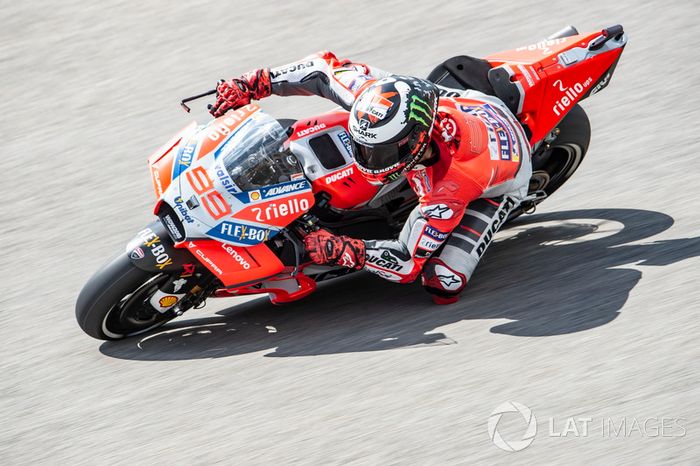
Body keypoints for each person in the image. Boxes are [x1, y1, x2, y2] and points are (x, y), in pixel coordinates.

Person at [209, 51, 532, 304]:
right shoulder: (376, 95)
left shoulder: (450, 185)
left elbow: (406, 263)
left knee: (443, 283)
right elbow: (322, 69)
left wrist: (346, 250)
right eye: (363, 147)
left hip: (504, 176)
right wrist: (256, 83)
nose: (365, 158)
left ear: (415, 142)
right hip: (465, 104)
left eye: (378, 153)